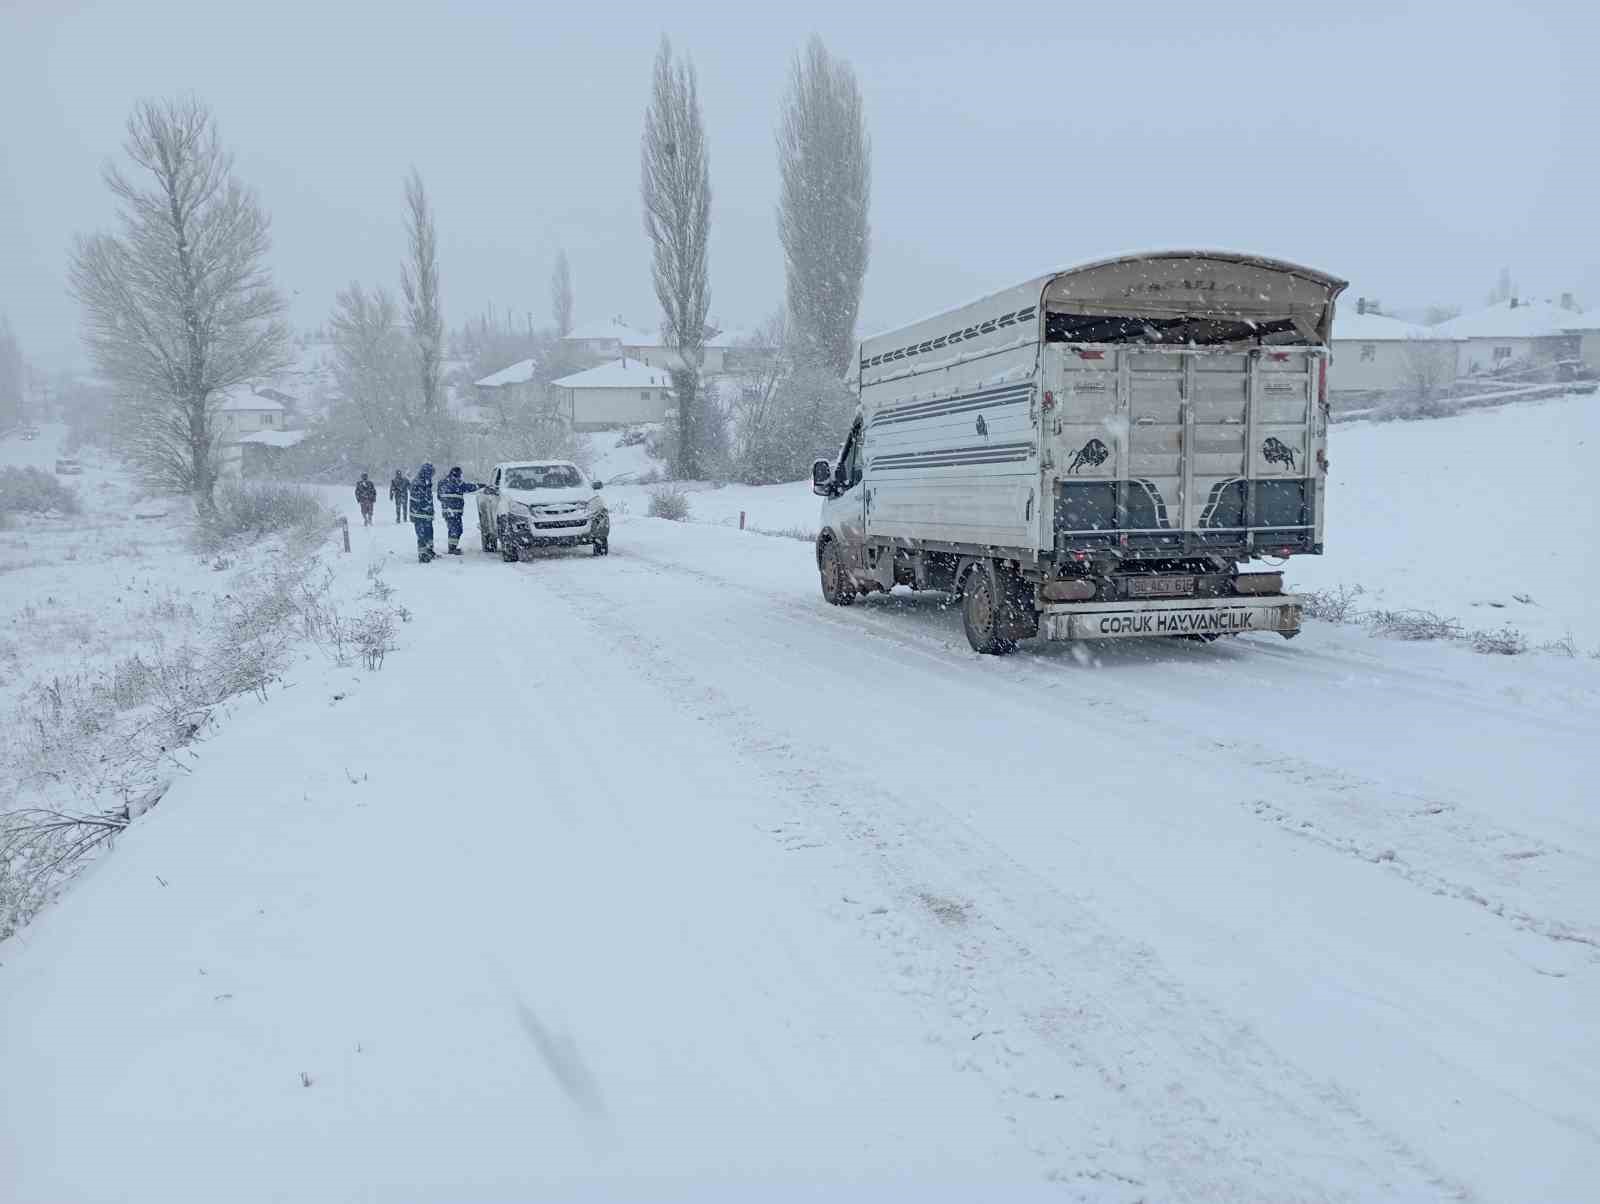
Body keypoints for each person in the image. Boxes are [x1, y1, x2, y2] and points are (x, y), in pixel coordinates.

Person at [435, 466, 484, 556]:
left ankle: (452, 547)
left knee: (454, 529)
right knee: (456, 529)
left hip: (447, 511)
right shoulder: (457, 482)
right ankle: (452, 549)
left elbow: (439, 496)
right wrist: (480, 486)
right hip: (455, 512)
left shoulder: (442, 482)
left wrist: (446, 503)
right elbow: (468, 487)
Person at [409, 463, 437, 562]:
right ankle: (422, 554)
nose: (432, 476)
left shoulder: (426, 481)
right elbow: (419, 498)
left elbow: (428, 498)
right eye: (431, 473)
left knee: (429, 533)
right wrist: (426, 507)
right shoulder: (417, 482)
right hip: (418, 514)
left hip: (426, 514)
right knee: (422, 535)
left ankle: (429, 550)